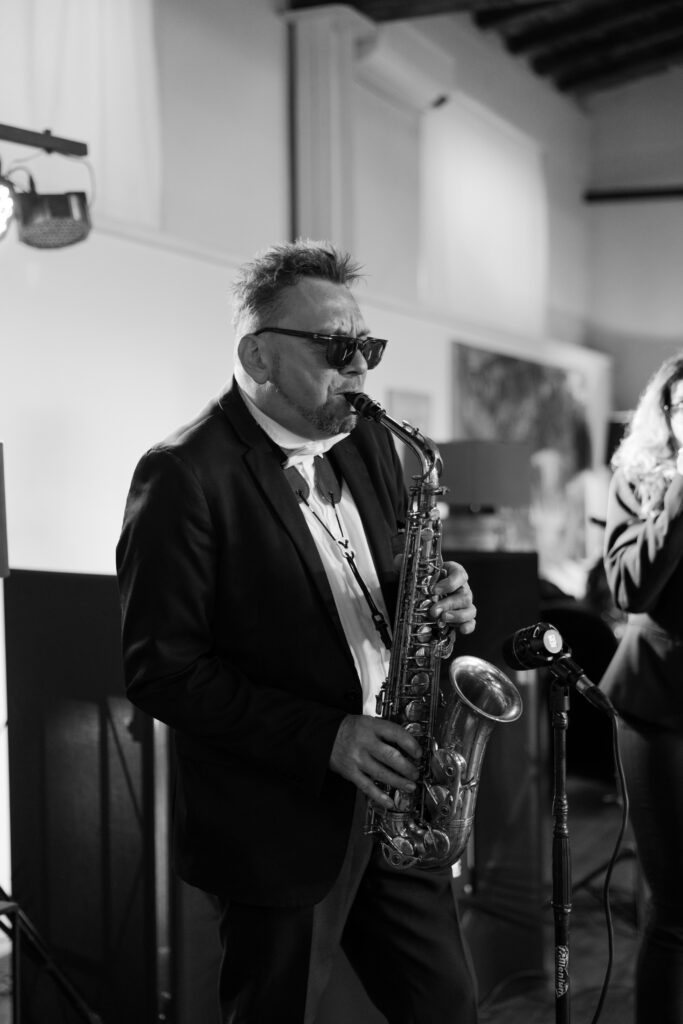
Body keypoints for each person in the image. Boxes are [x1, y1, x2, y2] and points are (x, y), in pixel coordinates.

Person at [116, 239, 480, 1024]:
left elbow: (382, 589)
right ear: (259, 355)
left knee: (447, 1006)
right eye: (335, 349)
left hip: (398, 798)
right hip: (277, 823)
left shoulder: (371, 443)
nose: (358, 370)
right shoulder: (183, 473)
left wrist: (439, 600)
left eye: (368, 349)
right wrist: (327, 737)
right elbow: (162, 670)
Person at [601, 352, 683, 1024]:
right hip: (659, 705)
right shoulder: (639, 478)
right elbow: (630, 589)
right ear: (666, 414)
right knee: (677, 905)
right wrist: (679, 502)